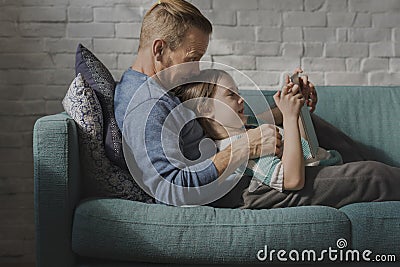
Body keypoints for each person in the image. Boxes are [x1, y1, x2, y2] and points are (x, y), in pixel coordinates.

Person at [114, 0, 281, 207]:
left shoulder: (158, 86)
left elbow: (212, 123)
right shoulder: (149, 105)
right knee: (331, 180)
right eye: (192, 58)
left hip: (239, 174)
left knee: (303, 117)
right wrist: (244, 148)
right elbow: (170, 189)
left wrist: (278, 112)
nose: (196, 70)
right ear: (159, 49)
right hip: (235, 193)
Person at [174, 69, 400, 209]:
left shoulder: (242, 123)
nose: (241, 100)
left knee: (307, 117)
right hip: (301, 172)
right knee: (373, 174)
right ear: (207, 109)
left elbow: (288, 125)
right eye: (231, 95)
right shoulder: (241, 149)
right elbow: (292, 180)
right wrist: (291, 118)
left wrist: (294, 99)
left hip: (319, 158)